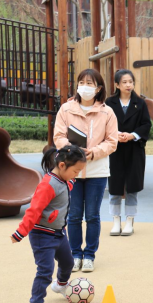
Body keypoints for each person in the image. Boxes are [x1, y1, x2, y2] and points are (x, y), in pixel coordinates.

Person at [11, 146, 86, 303]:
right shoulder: (48, 185)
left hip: (59, 233)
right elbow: (34, 210)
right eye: (75, 171)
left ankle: (60, 284)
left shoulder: (65, 180)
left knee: (68, 262)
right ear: (61, 165)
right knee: (45, 271)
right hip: (42, 235)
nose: (77, 175)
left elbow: (66, 189)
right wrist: (21, 232)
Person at [54, 68, 118, 272]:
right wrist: (72, 150)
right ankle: (75, 254)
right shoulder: (65, 109)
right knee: (73, 216)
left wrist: (94, 152)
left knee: (92, 215)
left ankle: (89, 255)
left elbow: (112, 141)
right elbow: (58, 136)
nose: (85, 86)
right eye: (82, 82)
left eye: (90, 83)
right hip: (71, 170)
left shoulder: (107, 112)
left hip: (97, 171)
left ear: (98, 88)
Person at [105, 69, 151, 236]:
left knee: (132, 187)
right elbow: (103, 123)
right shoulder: (109, 103)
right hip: (114, 150)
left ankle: (130, 220)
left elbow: (146, 125)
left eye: (130, 82)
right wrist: (115, 134)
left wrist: (132, 135)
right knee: (114, 187)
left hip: (134, 150)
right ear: (117, 84)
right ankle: (116, 220)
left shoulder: (140, 103)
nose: (128, 85)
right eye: (124, 82)